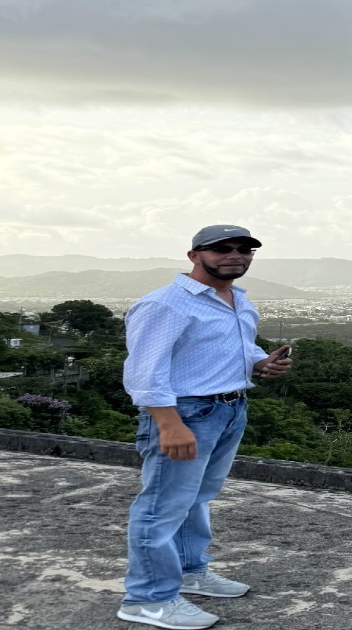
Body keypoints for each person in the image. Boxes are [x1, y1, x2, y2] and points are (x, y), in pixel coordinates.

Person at [118, 225, 292, 629]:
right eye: (222, 249)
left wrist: (261, 362)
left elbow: (237, 350)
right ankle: (147, 598)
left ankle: (190, 570)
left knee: (196, 497)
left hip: (229, 408)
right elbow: (145, 372)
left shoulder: (237, 301)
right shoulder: (166, 304)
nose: (236, 255)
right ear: (194, 255)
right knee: (161, 506)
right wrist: (169, 423)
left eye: (245, 249)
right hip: (186, 413)